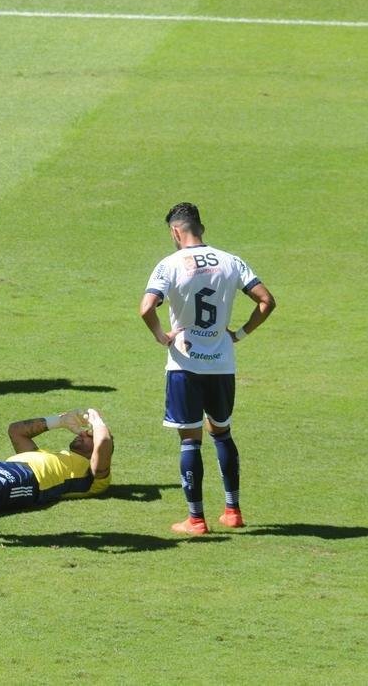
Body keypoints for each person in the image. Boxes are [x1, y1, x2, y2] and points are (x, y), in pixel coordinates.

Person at [140, 202, 275, 534]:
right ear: (201, 227)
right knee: (222, 432)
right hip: (222, 364)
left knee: (190, 440)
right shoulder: (231, 261)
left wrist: (162, 336)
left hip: (184, 365)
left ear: (175, 231)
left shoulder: (169, 264)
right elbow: (266, 301)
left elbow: (146, 308)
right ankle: (233, 511)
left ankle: (196, 519)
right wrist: (239, 334)